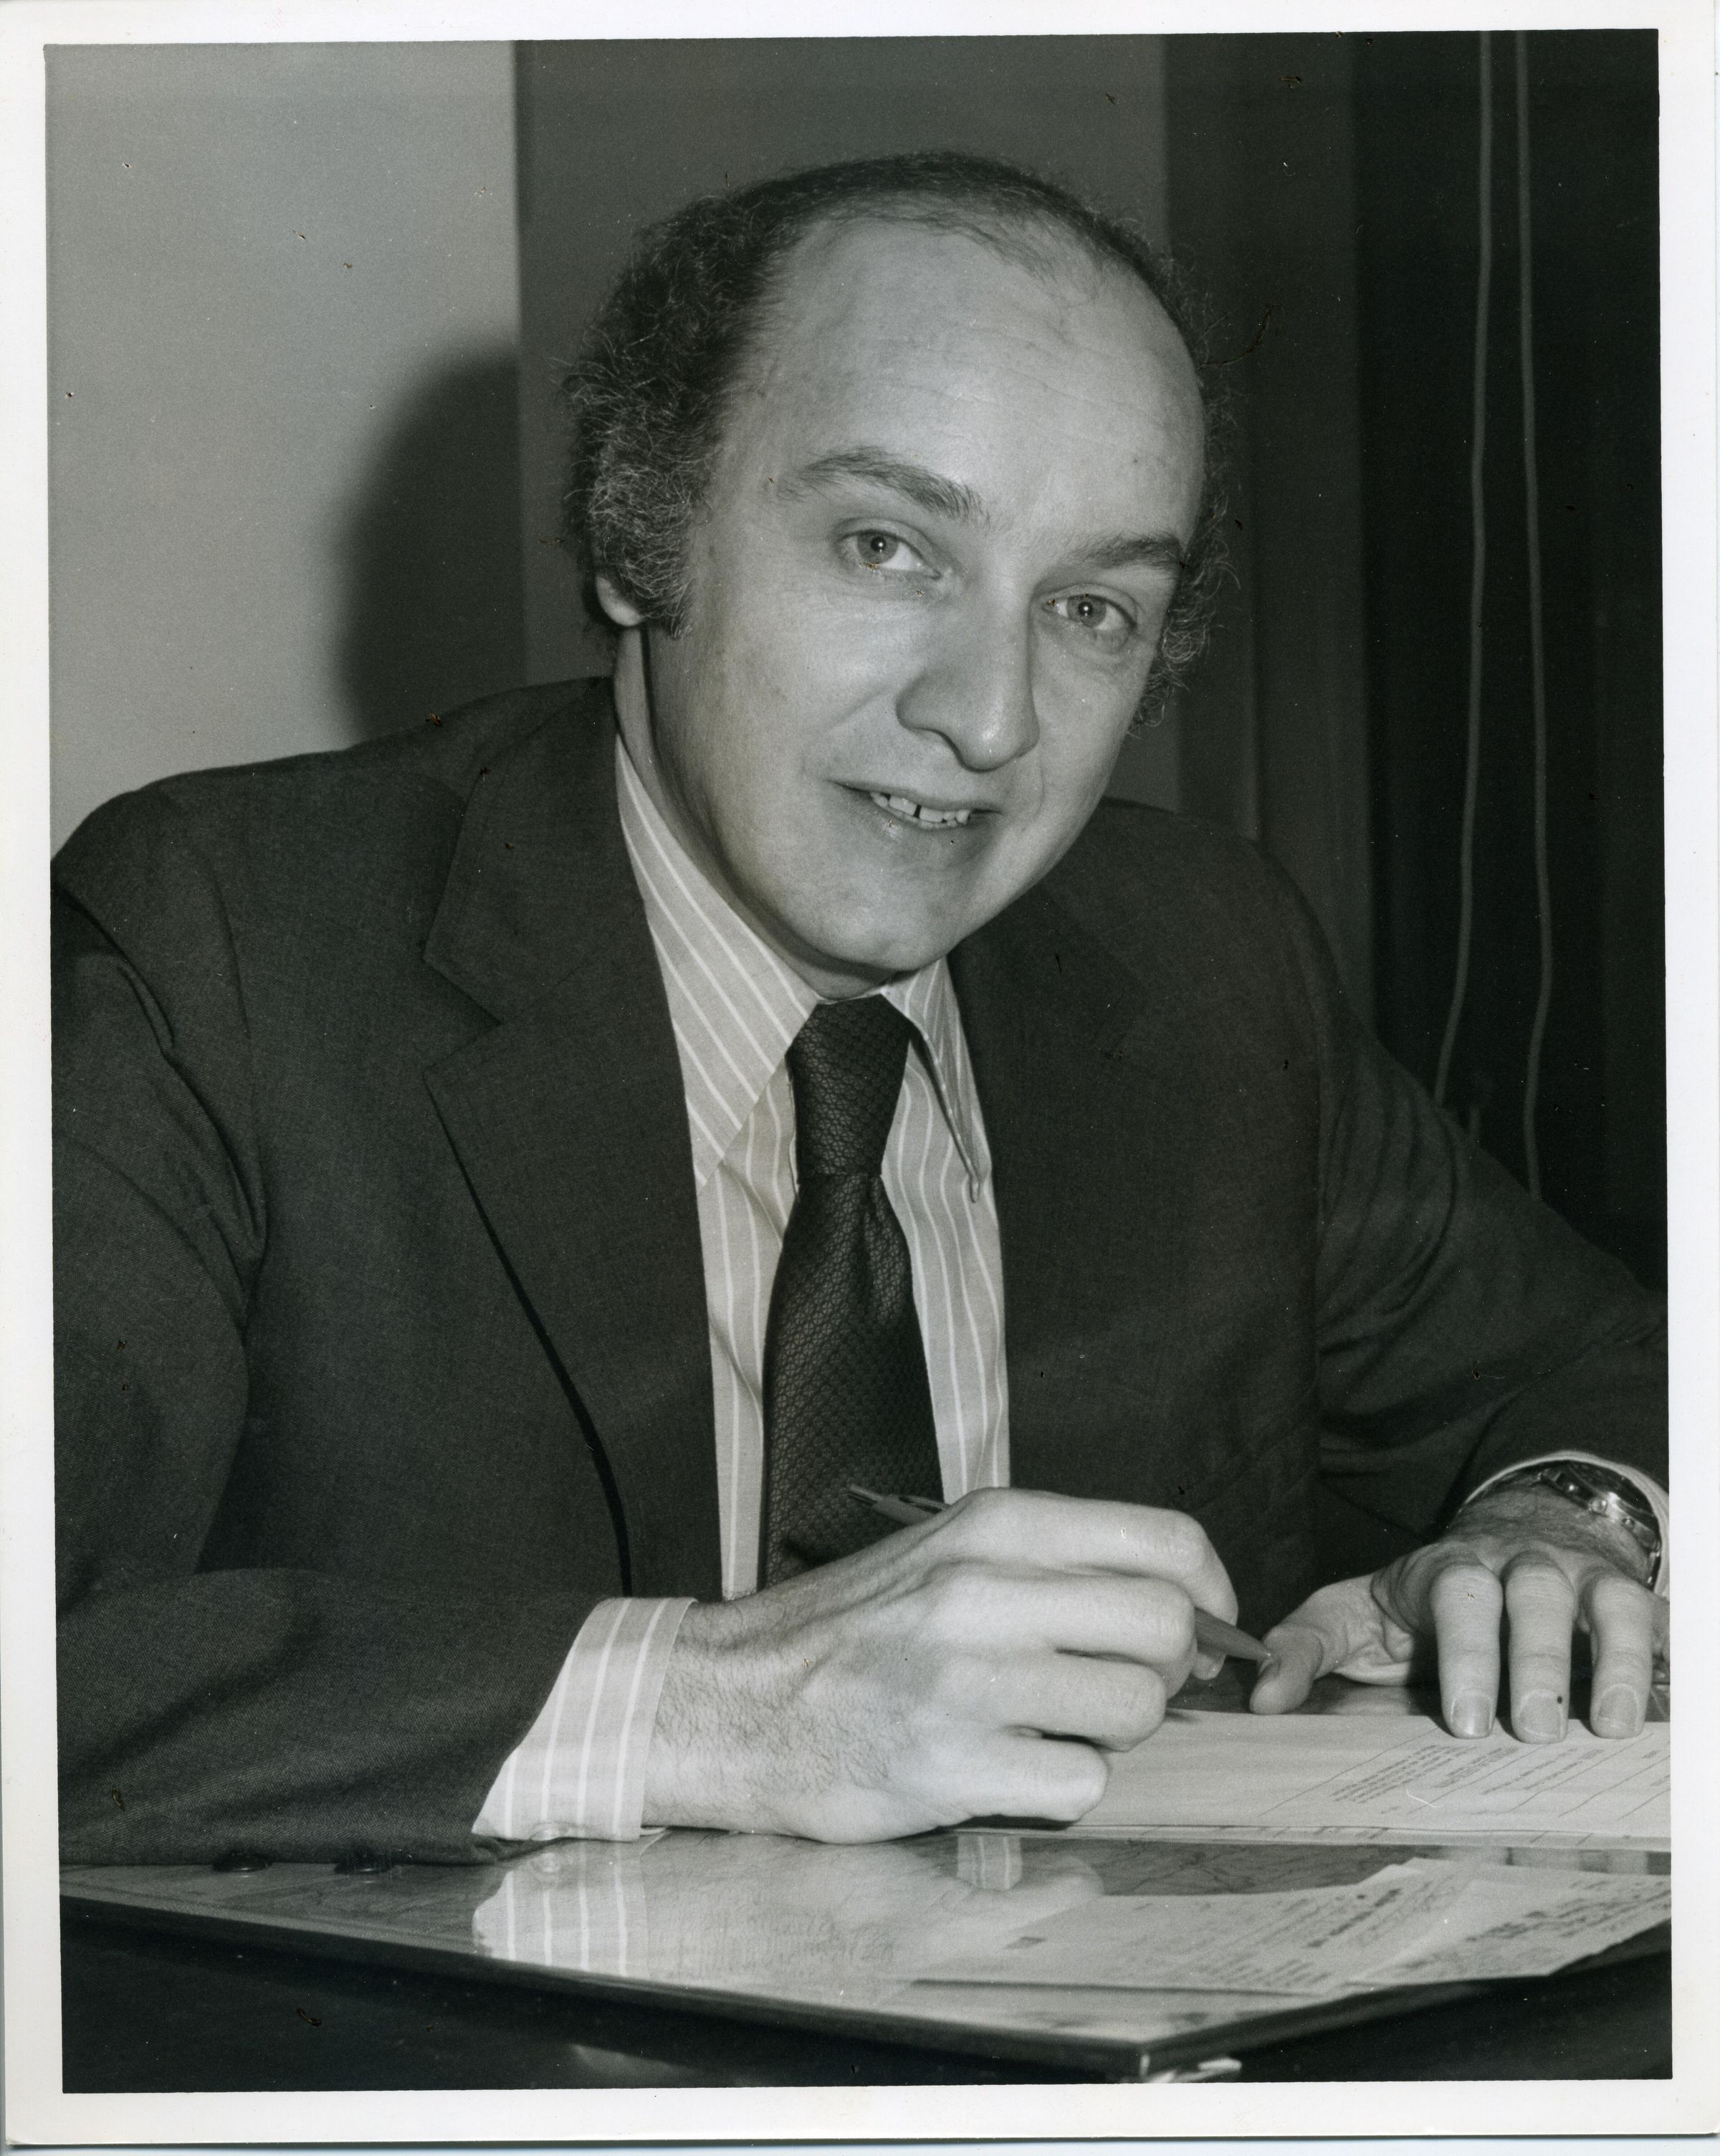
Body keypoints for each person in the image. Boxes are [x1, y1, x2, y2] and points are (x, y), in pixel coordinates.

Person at [54, 153, 1667, 1867]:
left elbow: (1612, 1367)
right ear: (645, 530)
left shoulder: (1210, 960)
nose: (992, 718)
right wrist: (713, 1705)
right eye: (889, 547)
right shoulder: (223, 947)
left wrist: (1564, 1526)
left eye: (1092, 609)